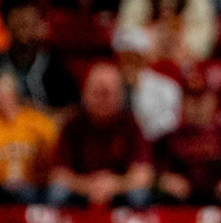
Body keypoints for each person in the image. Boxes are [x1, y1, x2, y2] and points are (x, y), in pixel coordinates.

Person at [47, 63, 154, 209]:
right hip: (81, 192)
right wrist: (88, 185)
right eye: (97, 92)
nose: (103, 99)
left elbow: (144, 175)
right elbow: (57, 174)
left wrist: (114, 185)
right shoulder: (72, 125)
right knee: (57, 193)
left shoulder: (131, 125)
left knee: (139, 195)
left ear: (121, 95)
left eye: (108, 93)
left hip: (119, 193)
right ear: (85, 93)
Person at [0, 72, 59, 203]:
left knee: (58, 192)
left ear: (10, 93)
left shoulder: (38, 122)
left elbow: (56, 164)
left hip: (35, 188)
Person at [155, 80, 221, 204]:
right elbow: (155, 170)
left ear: (215, 102)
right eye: (191, 100)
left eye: (203, 100)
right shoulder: (168, 139)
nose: (197, 107)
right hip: (180, 202)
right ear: (182, 104)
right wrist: (164, 179)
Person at [0, 0, 80, 112]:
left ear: (40, 26)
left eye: (29, 26)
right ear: (5, 27)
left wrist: (41, 112)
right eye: (18, 26)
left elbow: (74, 109)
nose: (23, 35)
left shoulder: (57, 65)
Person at [112, 26, 183, 142]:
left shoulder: (167, 87)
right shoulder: (108, 85)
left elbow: (170, 122)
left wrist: (141, 135)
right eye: (125, 57)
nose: (130, 63)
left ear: (144, 58)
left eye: (135, 57)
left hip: (156, 146)